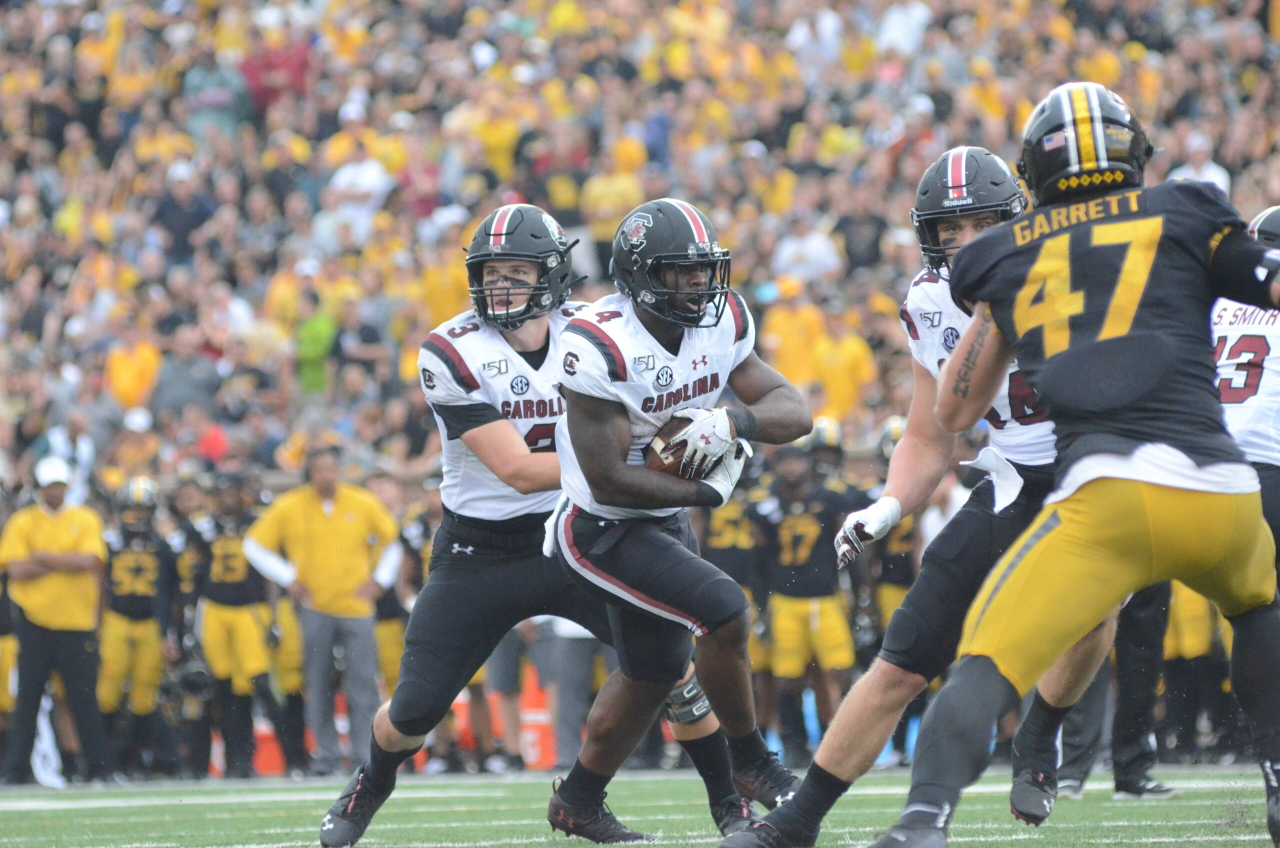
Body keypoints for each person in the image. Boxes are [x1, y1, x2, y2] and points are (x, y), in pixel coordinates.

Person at [885, 81, 1280, 848]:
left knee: (990, 655)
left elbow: (955, 416)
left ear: (1032, 177)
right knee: (1258, 610)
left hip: (1104, 487)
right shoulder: (1187, 208)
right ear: (1136, 155)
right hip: (1219, 481)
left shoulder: (1006, 256)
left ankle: (924, 817)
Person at [318, 204, 764, 848]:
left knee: (670, 667)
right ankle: (370, 782)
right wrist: (630, 461)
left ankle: (727, 805)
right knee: (414, 709)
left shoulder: (595, 331)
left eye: (517, 271)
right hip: (482, 552)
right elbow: (519, 470)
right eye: (490, 272)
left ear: (552, 274)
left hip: (578, 535)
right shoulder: (452, 350)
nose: (500, 285)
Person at [718, 146, 1115, 848]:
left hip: (1092, 477)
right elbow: (932, 435)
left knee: (1092, 618)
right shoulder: (931, 301)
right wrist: (889, 505)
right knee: (900, 662)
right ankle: (796, 820)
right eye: (948, 230)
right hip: (1011, 480)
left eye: (979, 225)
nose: (961, 243)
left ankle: (1040, 738)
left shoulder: (1071, 272)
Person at [550, 198, 812, 829]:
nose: (699, 283)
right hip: (600, 528)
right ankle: (748, 758)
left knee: (653, 670)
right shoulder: (597, 343)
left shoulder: (721, 320)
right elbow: (608, 480)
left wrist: (733, 418)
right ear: (639, 275)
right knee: (724, 611)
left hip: (660, 521)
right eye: (680, 270)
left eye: (704, 269)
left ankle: (578, 799)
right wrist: (705, 492)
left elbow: (795, 410)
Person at [244, 445, 402, 777]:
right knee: (317, 683)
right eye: (319, 470)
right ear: (309, 473)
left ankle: (364, 755)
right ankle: (327, 755)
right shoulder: (290, 506)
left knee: (363, 683)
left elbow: (392, 542)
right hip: (314, 606)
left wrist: (380, 581)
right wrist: (288, 578)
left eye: (331, 468)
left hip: (356, 606)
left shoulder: (362, 502)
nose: (326, 476)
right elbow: (253, 545)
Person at [748, 444, 865, 768]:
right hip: (784, 600)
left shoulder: (830, 500)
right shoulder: (765, 504)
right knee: (788, 678)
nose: (791, 469)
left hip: (826, 598)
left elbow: (850, 548)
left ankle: (836, 741)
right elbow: (758, 559)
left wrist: (860, 594)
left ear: (808, 464)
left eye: (797, 461)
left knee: (839, 673)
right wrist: (760, 606)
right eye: (786, 463)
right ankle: (795, 745)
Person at [0, 457, 112, 784]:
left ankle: (98, 769)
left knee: (83, 700)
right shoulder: (24, 521)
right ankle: (17, 770)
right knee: (28, 699)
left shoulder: (85, 518)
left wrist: (43, 557)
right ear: (41, 486)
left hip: (75, 623)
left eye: (60, 484)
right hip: (34, 622)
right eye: (50, 485)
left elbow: (91, 560)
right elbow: (15, 568)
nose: (55, 491)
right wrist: (65, 562)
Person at [183, 473, 300, 778]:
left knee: (260, 685)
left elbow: (270, 571)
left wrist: (273, 618)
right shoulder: (201, 526)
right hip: (215, 610)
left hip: (250, 610)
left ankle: (293, 758)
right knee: (221, 688)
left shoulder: (258, 523)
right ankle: (237, 761)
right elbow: (193, 575)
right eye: (223, 493)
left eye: (233, 492)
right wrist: (187, 620)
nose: (228, 498)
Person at [98, 477, 181, 776]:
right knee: (107, 688)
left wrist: (169, 632)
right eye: (130, 510)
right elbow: (99, 586)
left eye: (141, 510)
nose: (135, 516)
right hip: (116, 619)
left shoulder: (163, 544)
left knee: (145, 693)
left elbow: (172, 591)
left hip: (150, 623)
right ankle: (103, 760)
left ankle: (137, 760)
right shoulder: (109, 541)